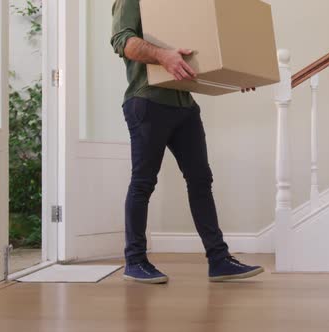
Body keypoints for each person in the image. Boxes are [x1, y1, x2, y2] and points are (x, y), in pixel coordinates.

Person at [111, 0, 263, 284]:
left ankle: (219, 260)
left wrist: (237, 73)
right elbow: (123, 41)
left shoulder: (180, 8)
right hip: (147, 101)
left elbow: (202, 51)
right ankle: (135, 261)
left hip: (184, 103)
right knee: (144, 182)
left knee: (201, 180)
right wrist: (162, 56)